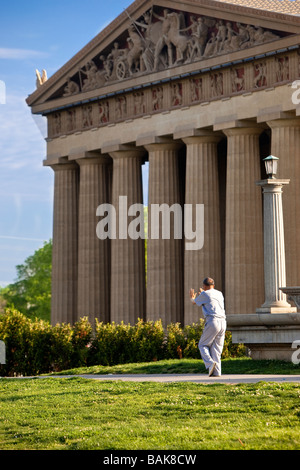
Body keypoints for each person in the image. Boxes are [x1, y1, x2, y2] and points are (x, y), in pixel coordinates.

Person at [189, 277, 226, 377]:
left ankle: (210, 363)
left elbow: (194, 302)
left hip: (213, 321)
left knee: (202, 345)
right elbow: (211, 301)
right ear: (213, 285)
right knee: (216, 348)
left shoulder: (205, 294)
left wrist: (192, 297)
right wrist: (203, 294)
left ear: (204, 286)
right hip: (223, 322)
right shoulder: (219, 293)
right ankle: (216, 372)